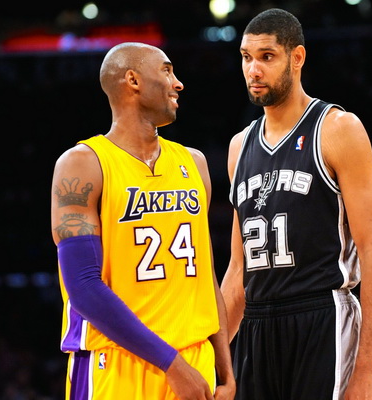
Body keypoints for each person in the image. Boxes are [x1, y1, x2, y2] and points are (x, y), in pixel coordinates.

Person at [220, 8, 372, 400]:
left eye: (266, 56)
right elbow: (237, 271)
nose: (253, 70)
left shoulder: (337, 129)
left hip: (322, 314)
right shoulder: (238, 147)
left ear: (296, 57)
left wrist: (369, 368)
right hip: (257, 325)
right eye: (246, 57)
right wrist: (212, 363)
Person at [50, 42, 235, 400]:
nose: (178, 83)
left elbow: (205, 275)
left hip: (195, 361)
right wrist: (170, 364)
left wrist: (225, 370)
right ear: (132, 80)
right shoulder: (83, 164)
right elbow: (83, 286)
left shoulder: (194, 163)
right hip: (117, 363)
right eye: (166, 70)